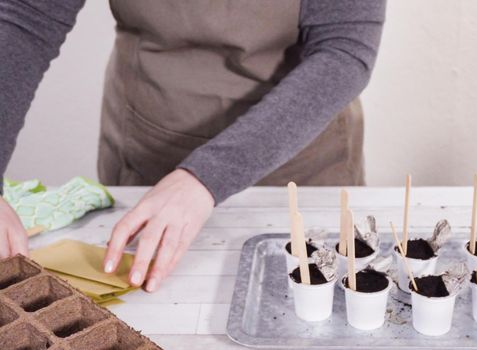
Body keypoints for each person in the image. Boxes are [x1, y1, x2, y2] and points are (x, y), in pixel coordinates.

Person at [0, 0, 386, 292]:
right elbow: (28, 18)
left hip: (296, 168)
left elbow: (343, 50)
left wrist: (206, 177)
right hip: (150, 151)